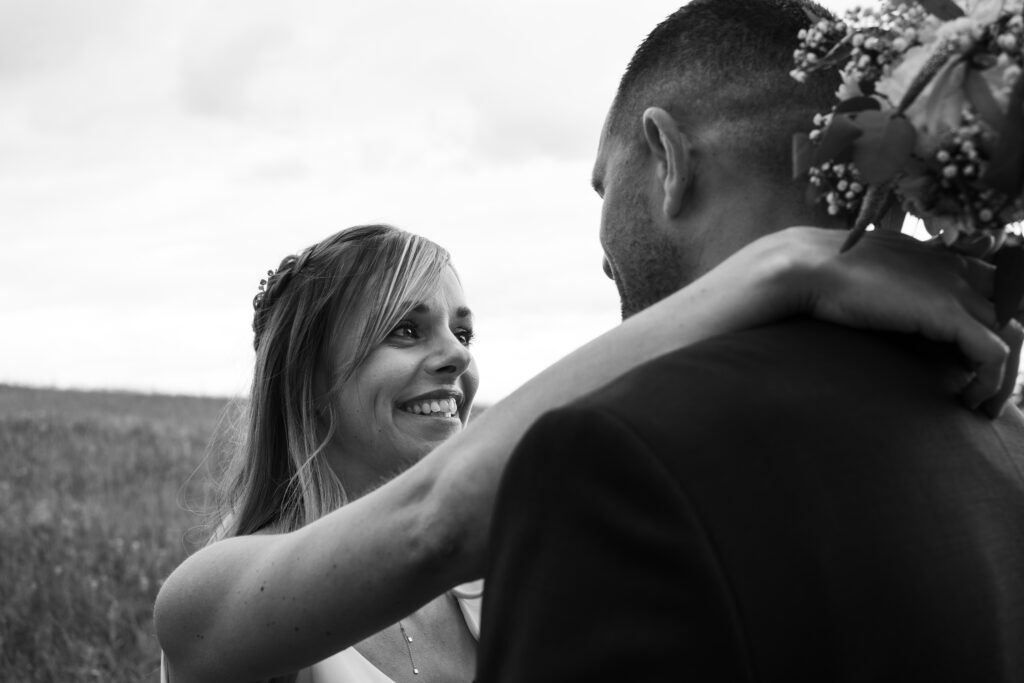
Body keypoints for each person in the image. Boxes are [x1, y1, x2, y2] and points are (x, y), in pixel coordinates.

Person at [474, 1, 1024, 682]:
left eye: (603, 186)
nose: (601, 249)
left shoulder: (613, 456)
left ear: (668, 157)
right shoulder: (1000, 429)